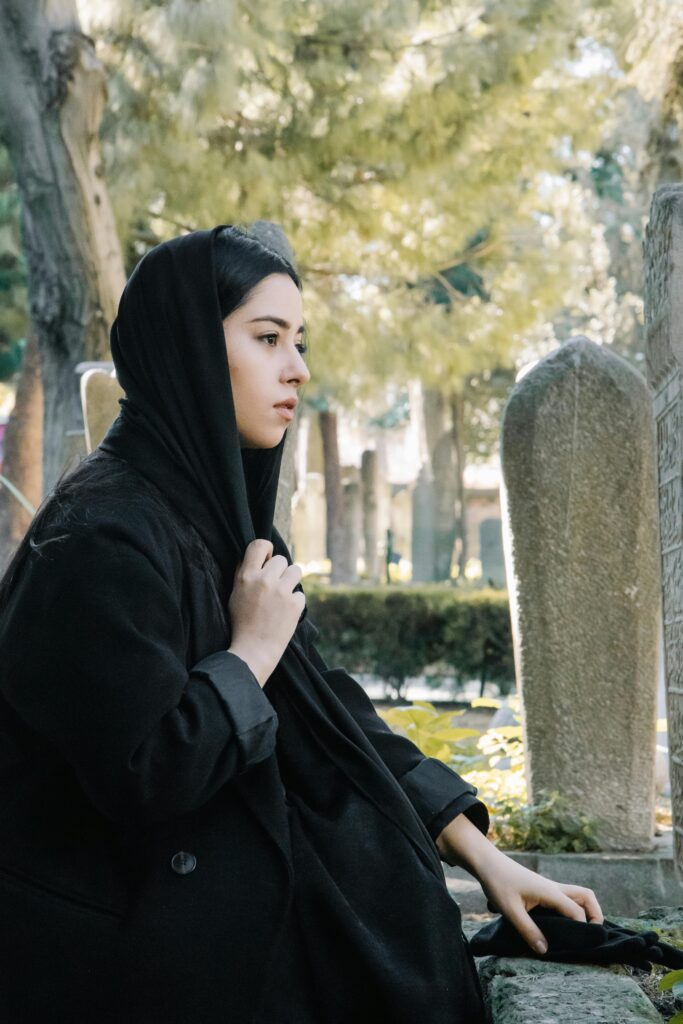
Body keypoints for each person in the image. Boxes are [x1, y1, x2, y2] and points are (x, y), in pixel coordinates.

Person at [0, 226, 603, 1023]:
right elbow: (145, 775)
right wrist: (246, 653)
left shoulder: (219, 519)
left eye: (299, 341)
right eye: (267, 338)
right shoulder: (99, 535)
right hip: (108, 952)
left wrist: (483, 856)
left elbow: (327, 711)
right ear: (187, 350)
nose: (298, 368)